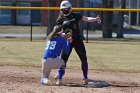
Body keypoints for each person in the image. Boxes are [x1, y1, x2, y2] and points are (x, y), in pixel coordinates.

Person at [55, 0, 101, 85]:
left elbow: (86, 19)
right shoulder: (60, 20)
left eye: (66, 9)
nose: (64, 11)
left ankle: (85, 78)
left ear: (70, 9)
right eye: (63, 10)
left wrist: (95, 19)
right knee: (63, 60)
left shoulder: (75, 15)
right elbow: (58, 32)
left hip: (77, 40)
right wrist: (66, 35)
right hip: (67, 41)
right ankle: (60, 79)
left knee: (83, 58)